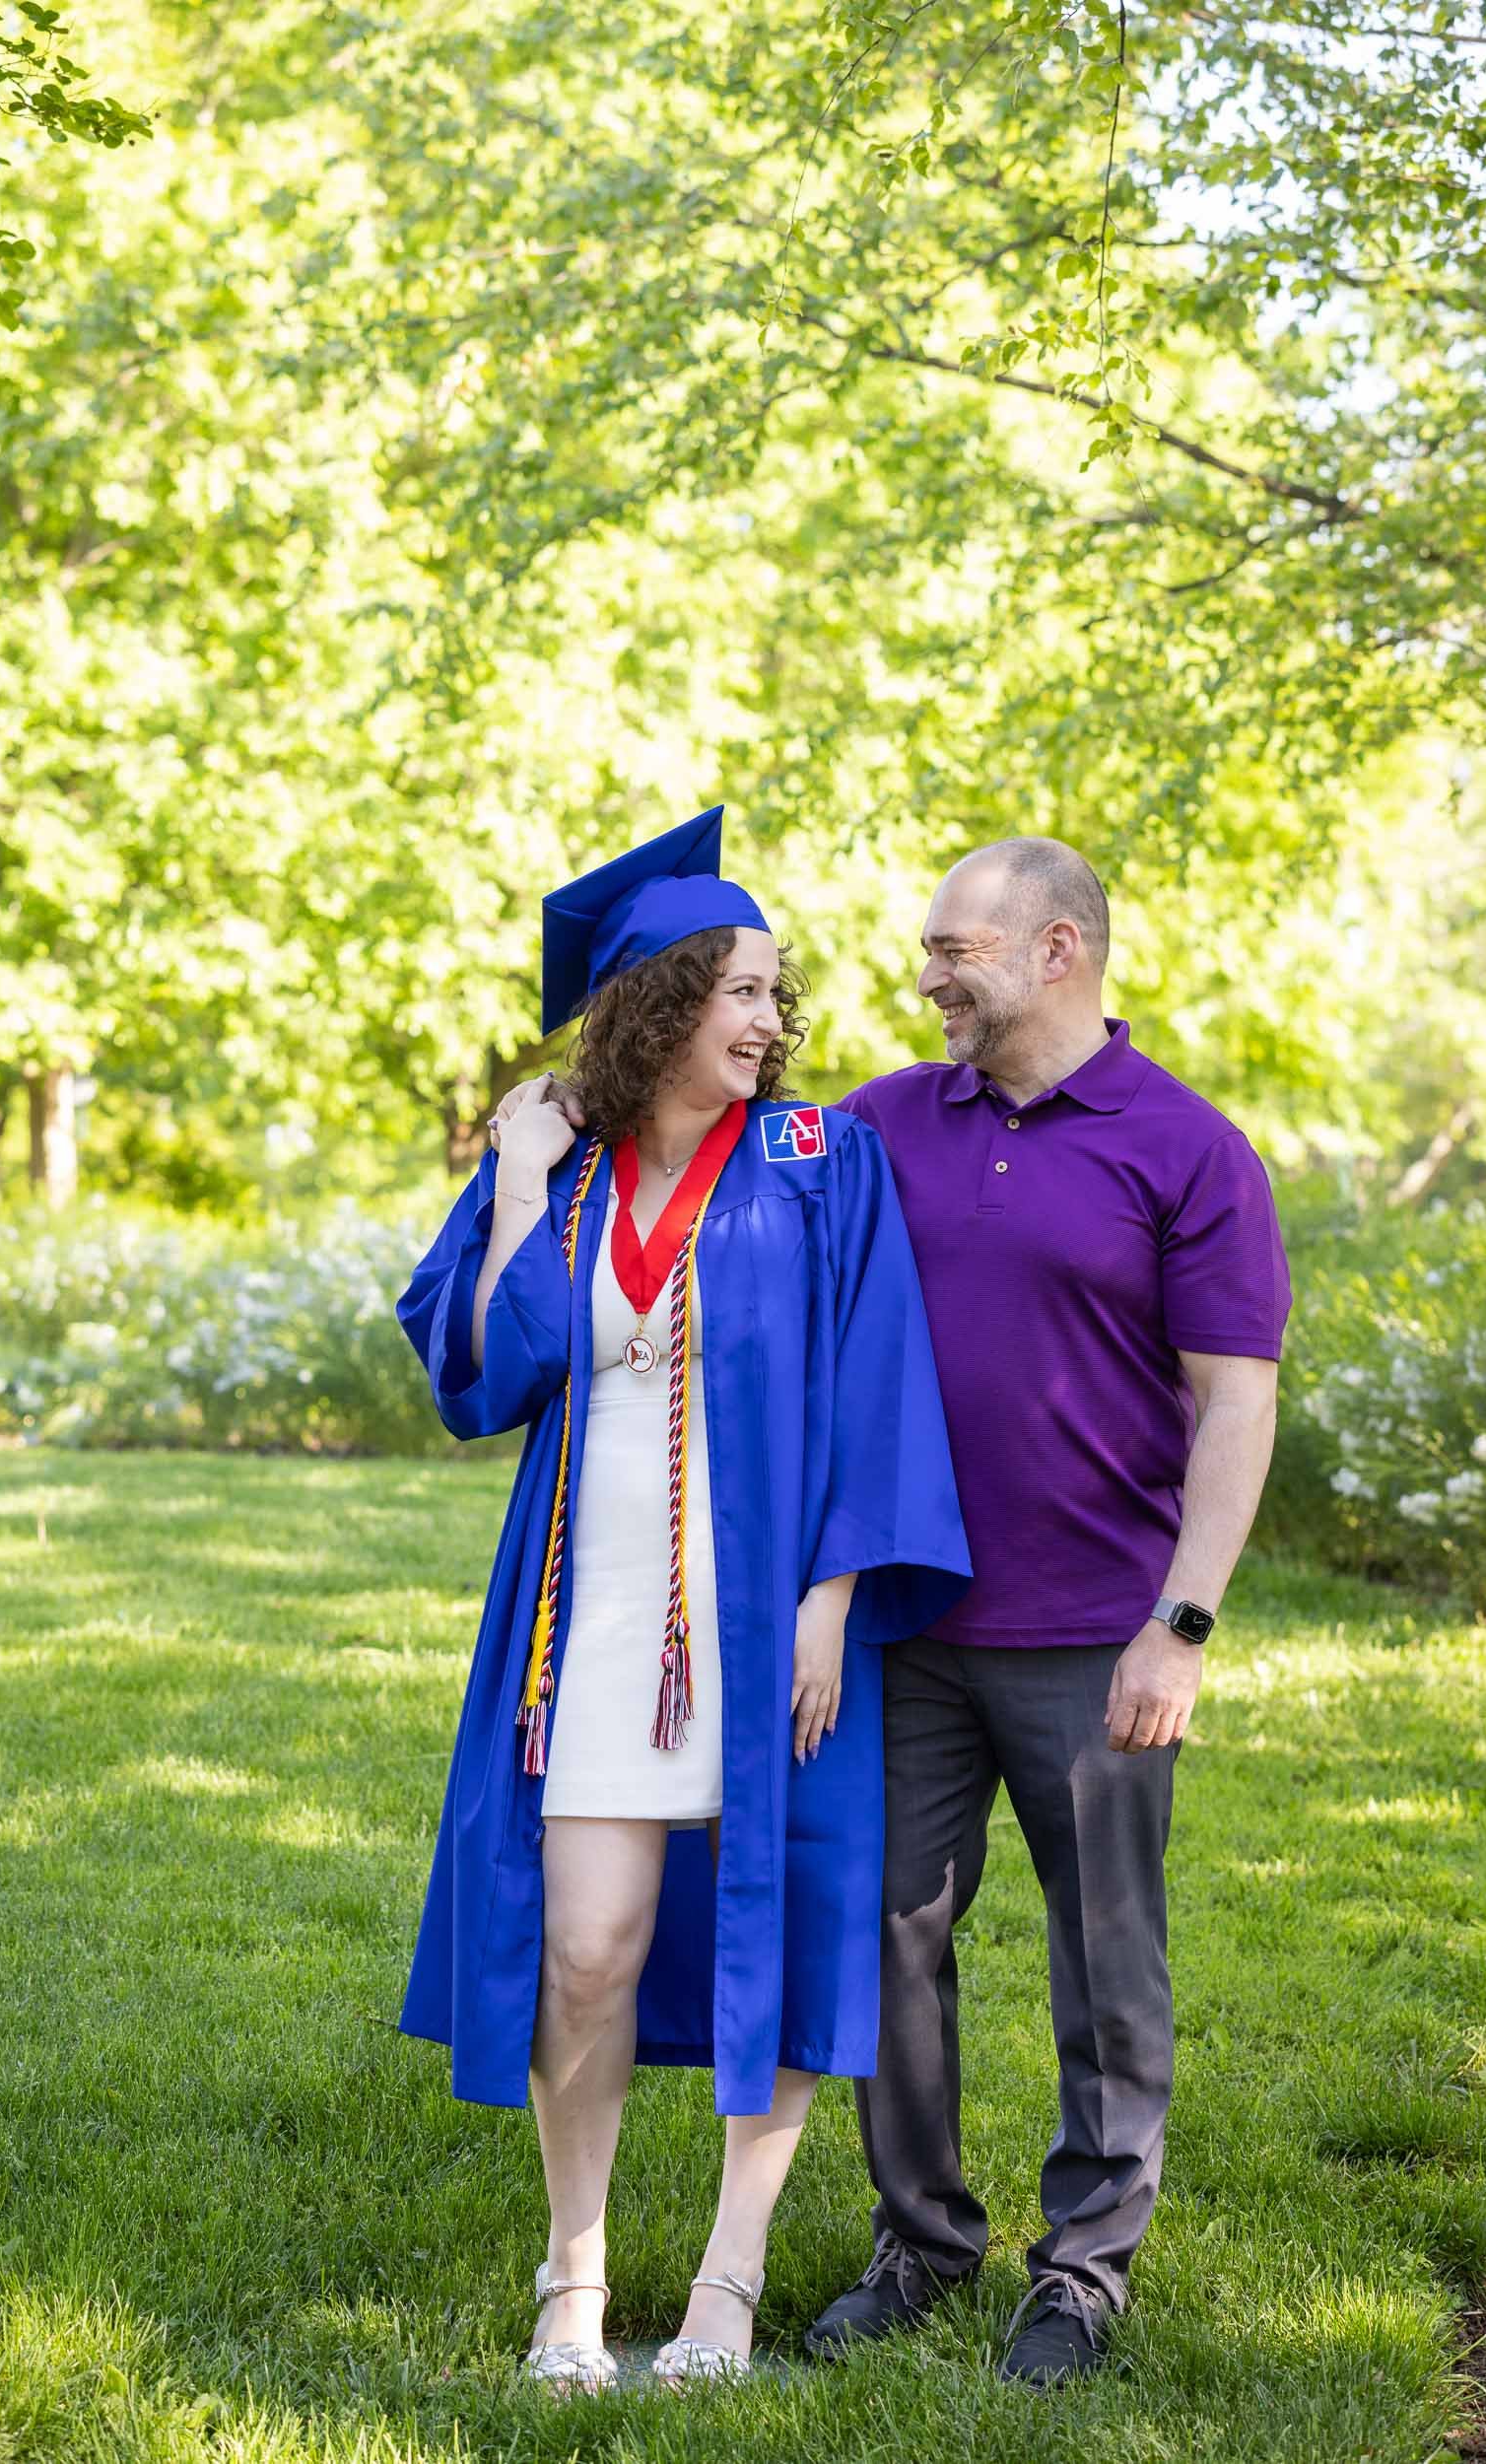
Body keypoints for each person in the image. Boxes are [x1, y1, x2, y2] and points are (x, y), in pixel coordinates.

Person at [499, 835, 1291, 2389]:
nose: (922, 975)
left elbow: (1237, 1405)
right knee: (880, 1941)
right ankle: (920, 2243)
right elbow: (716, 1166)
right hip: (904, 1635)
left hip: (1093, 1629)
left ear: (1055, 949)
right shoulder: (874, 1131)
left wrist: (1181, 1623)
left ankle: (1082, 2274)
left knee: (1105, 1954)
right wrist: (587, 1101)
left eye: (952, 951)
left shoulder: (1188, 1148)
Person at [396, 808, 971, 2394]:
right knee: (587, 1946)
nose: (771, 1023)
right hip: (584, 1620)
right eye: (740, 993)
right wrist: (514, 1179)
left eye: (779, 995)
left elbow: (878, 1377)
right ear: (656, 1000)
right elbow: (485, 1376)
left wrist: (834, 1596)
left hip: (769, 1615)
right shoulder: (562, 1173)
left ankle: (728, 2283)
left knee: (774, 1929)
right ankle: (569, 2277)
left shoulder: (817, 1161)